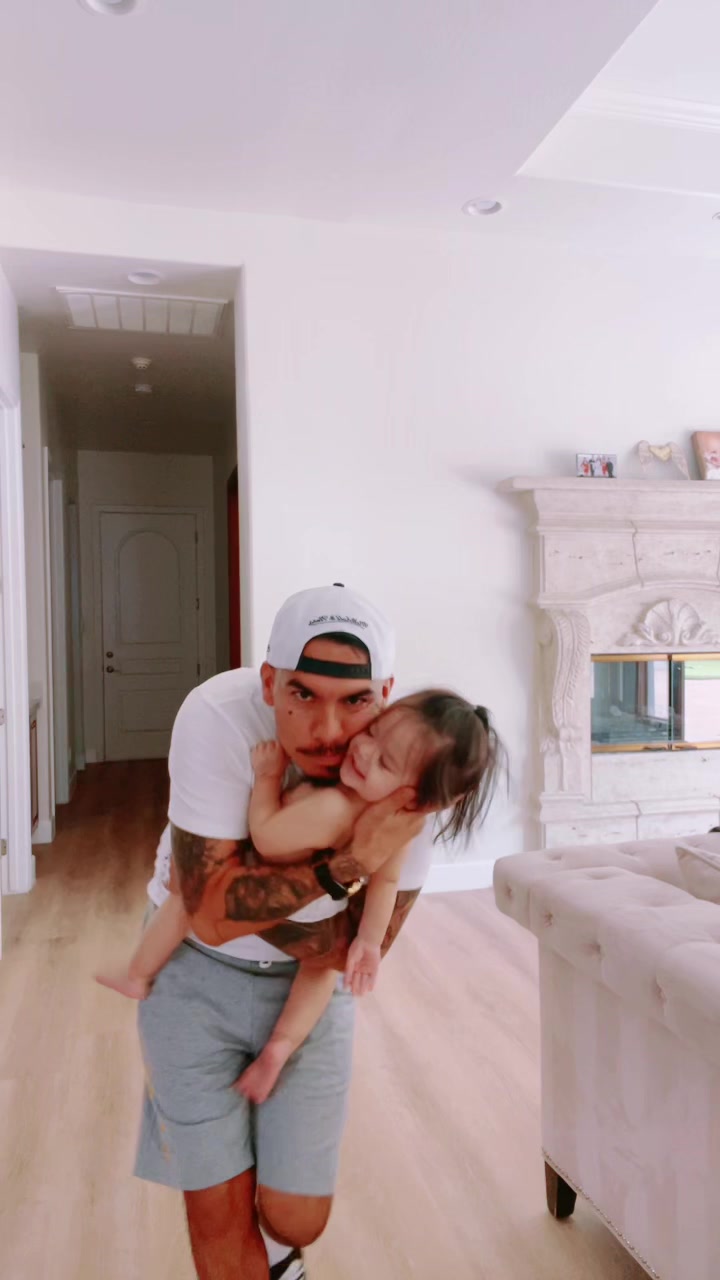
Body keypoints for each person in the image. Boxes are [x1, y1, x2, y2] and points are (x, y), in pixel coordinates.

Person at [133, 584, 477, 1280]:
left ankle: (281, 1251)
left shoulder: (415, 777)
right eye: (303, 695)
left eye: (356, 703)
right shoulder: (216, 717)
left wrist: (236, 886)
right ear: (268, 683)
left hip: (307, 996)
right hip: (190, 977)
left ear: (386, 694)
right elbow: (209, 921)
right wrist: (348, 864)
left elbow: (344, 950)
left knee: (297, 1218)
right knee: (219, 1210)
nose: (329, 731)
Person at [101, 689, 500, 1108]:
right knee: (321, 969)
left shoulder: (334, 806)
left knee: (186, 902)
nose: (364, 750)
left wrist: (268, 778)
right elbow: (386, 882)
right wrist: (366, 942)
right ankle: (280, 1048)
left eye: (384, 762)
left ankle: (137, 975)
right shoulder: (401, 825)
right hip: (326, 911)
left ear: (413, 796)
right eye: (374, 732)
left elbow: (266, 836)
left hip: (273, 893)